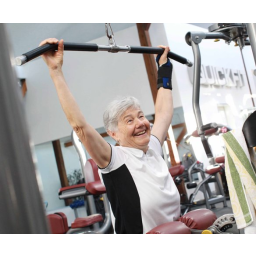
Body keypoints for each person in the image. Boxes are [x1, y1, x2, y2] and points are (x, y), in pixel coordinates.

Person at [40, 38, 180, 234]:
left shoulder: (153, 148)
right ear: (114, 134)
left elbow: (164, 112)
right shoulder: (116, 160)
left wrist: (164, 68)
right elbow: (80, 127)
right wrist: (55, 72)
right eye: (129, 120)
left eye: (141, 116)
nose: (140, 123)